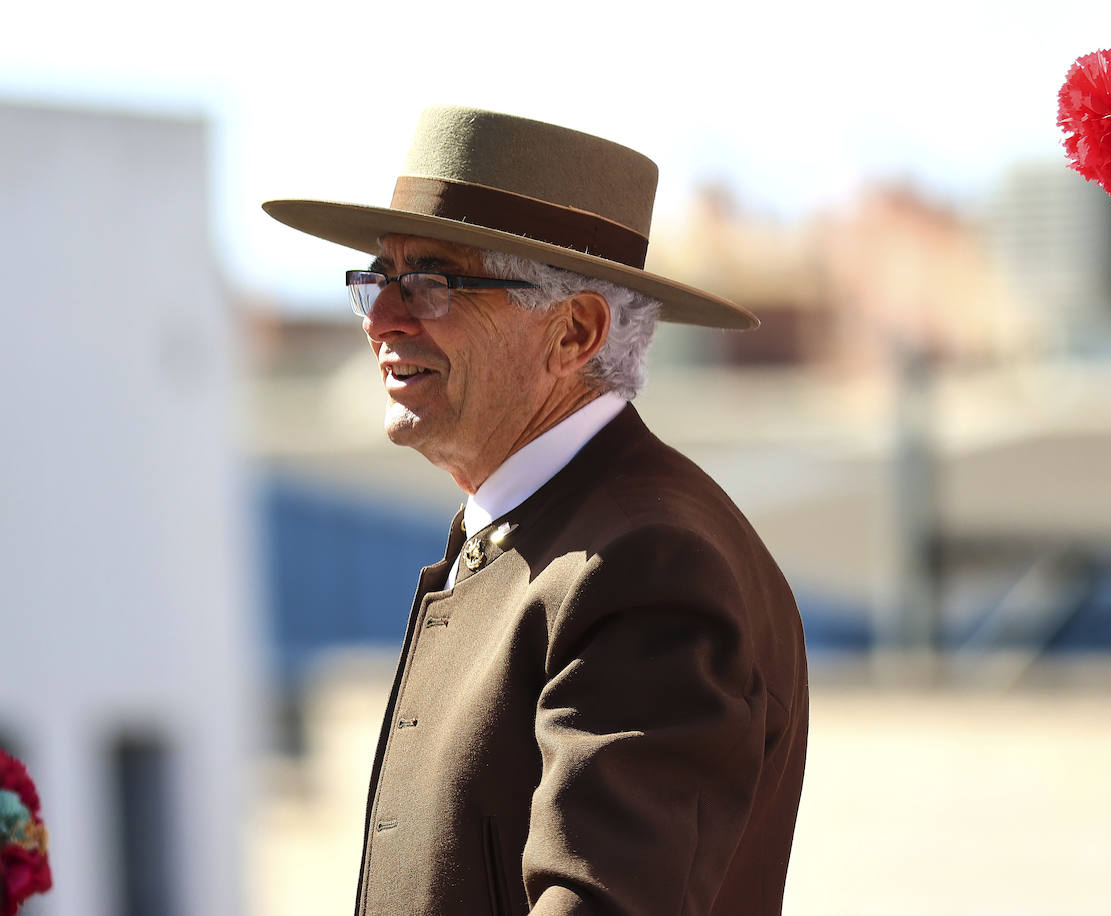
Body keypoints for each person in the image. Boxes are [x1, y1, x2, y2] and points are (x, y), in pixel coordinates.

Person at [264, 106, 808, 916]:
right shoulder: (543, 527)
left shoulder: (647, 561)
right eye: (378, 278)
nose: (382, 318)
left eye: (433, 281)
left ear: (574, 332)